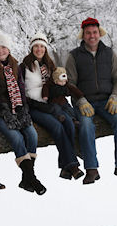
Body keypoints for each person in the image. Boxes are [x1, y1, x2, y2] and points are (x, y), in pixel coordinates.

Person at [65, 17, 117, 184]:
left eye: (95, 32)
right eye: (88, 33)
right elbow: (70, 83)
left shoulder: (109, 53)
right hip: (84, 102)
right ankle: (91, 168)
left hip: (106, 101)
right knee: (86, 126)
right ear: (83, 35)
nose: (92, 36)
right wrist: (80, 100)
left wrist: (114, 97)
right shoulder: (73, 56)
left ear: (100, 33)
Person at [0, 33, 47, 195]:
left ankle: (27, 179)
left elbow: (20, 88)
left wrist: (22, 108)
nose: (0, 51)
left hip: (17, 108)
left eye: (3, 47)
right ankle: (32, 178)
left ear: (8, 49)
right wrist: (4, 110)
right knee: (16, 137)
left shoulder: (15, 65)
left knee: (31, 134)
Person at [21, 32, 84, 181]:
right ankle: (72, 166)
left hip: (51, 105)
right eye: (36, 46)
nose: (39, 49)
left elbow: (57, 84)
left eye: (42, 46)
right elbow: (21, 92)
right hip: (35, 107)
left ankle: (65, 168)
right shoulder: (24, 66)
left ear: (45, 48)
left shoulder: (50, 65)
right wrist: (35, 104)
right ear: (31, 48)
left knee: (69, 123)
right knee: (57, 127)